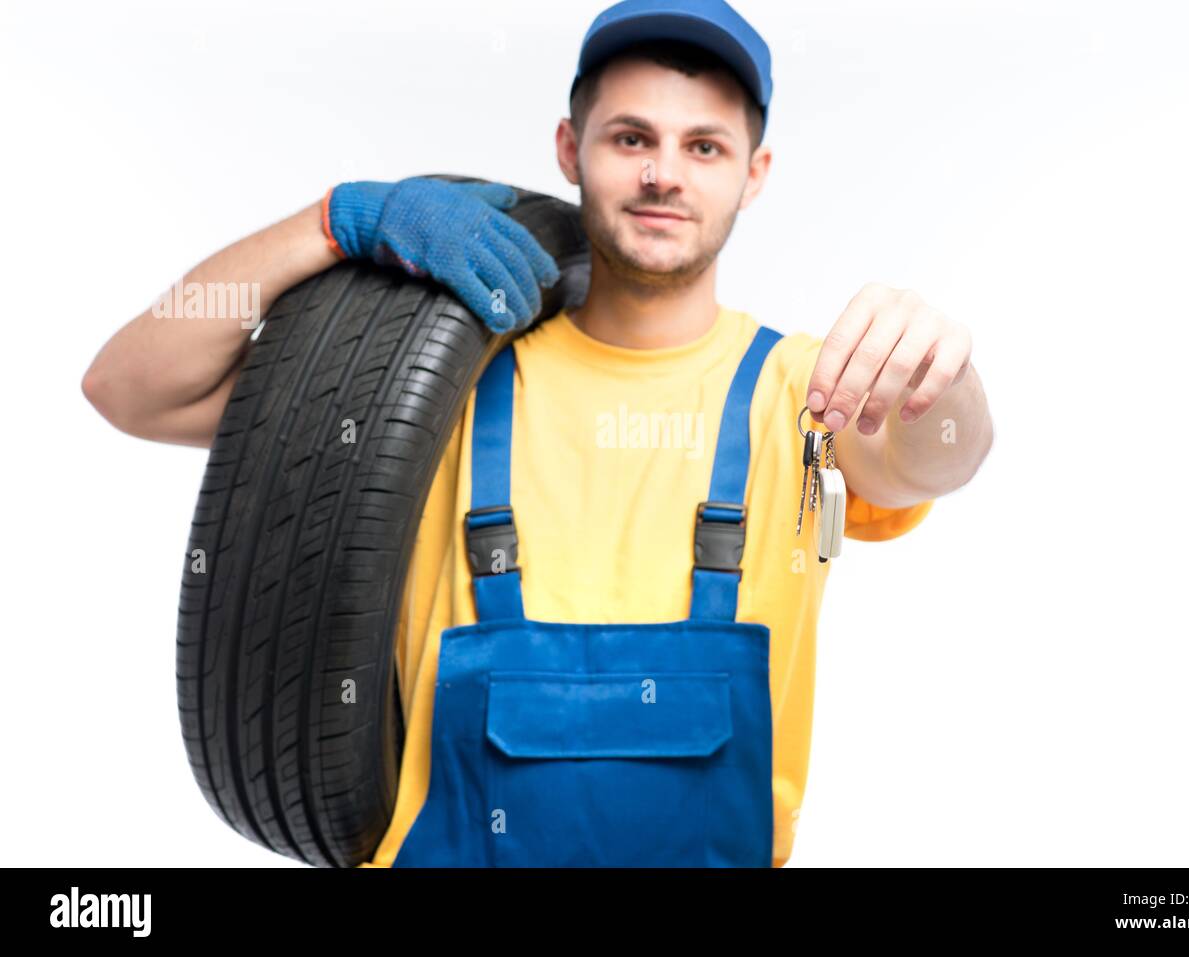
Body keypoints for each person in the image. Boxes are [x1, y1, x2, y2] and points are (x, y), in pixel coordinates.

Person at [82, 0, 993, 867]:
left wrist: (944, 377)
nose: (662, 174)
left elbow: (941, 456)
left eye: (703, 146)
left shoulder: (806, 392)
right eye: (631, 137)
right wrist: (331, 223)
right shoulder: (424, 382)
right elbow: (132, 388)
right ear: (571, 149)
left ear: (753, 174)